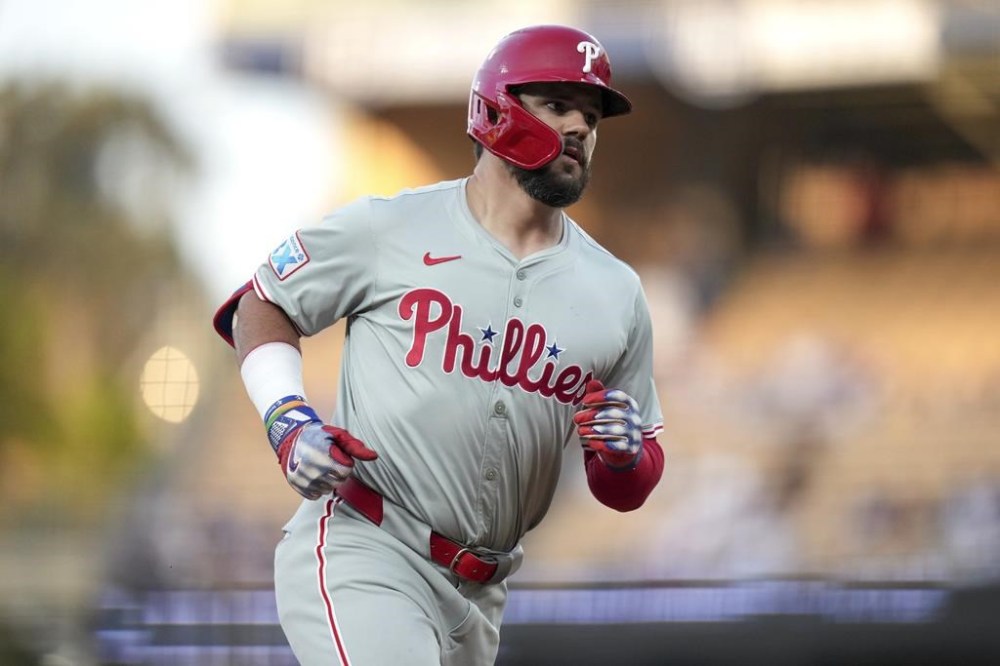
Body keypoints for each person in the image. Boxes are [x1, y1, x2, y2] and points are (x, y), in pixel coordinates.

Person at [213, 24, 665, 666]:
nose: (580, 129)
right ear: (496, 108)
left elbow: (629, 484)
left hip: (483, 596)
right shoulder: (389, 226)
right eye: (559, 105)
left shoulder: (617, 291)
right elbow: (261, 302)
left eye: (591, 116)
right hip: (368, 548)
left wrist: (623, 457)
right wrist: (287, 420)